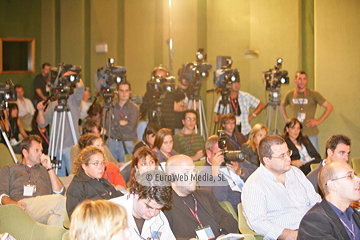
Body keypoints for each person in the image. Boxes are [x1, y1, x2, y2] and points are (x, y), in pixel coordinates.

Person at [241, 135, 321, 240]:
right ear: (267, 160)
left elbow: (315, 200)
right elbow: (258, 222)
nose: (288, 158)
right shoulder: (254, 185)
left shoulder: (295, 172)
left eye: (288, 153)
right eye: (282, 156)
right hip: (287, 235)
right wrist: (289, 234)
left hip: (312, 229)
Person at [164, 154, 238, 239]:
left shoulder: (206, 195)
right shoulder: (164, 206)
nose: (193, 175)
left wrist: (223, 235)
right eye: (186, 172)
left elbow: (228, 218)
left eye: (193, 170)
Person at [0, 135, 66, 226]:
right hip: (22, 208)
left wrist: (50, 168)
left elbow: (60, 192)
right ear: (25, 153)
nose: (41, 154)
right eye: (36, 150)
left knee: (56, 218)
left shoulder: (45, 170)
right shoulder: (9, 169)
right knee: (60, 201)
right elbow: (2, 196)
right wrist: (15, 205)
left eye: (41, 151)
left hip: (42, 210)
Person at [37, 72, 84, 176]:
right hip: (55, 147)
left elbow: (80, 88)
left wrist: (72, 74)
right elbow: (42, 124)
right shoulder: (52, 105)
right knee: (57, 178)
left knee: (75, 176)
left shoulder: (74, 100)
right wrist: (40, 111)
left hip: (71, 146)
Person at [298, 161, 360, 239]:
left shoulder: (353, 213)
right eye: (350, 176)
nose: (358, 179)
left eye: (355, 175)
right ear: (332, 185)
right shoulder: (314, 220)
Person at [110, 170, 176, 240]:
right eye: (148, 206)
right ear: (136, 193)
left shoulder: (160, 218)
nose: (153, 213)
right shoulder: (110, 212)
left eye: (158, 209)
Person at [199, 135, 256, 211]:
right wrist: (216, 172)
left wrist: (240, 171)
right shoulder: (204, 173)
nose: (224, 156)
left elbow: (255, 171)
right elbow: (218, 199)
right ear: (209, 153)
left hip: (253, 198)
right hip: (236, 208)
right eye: (220, 154)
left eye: (225, 152)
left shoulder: (230, 158)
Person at [280, 70, 333, 152]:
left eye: (304, 79)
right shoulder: (290, 94)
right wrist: (286, 119)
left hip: (310, 133)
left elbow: (329, 107)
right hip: (295, 134)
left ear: (306, 81)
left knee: (314, 157)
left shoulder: (313, 94)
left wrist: (318, 121)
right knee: (295, 156)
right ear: (295, 80)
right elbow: (282, 105)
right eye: (300, 79)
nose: (302, 81)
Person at [66, 145, 123, 218]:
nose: (101, 167)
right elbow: (75, 217)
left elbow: (118, 197)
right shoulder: (77, 186)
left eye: (102, 163)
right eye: (96, 164)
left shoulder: (102, 181)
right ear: (84, 166)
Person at [139, 65, 185, 133]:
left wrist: (173, 86)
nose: (162, 79)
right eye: (159, 76)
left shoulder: (170, 90)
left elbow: (181, 96)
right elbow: (144, 107)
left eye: (164, 76)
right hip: (154, 124)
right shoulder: (151, 92)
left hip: (169, 124)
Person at [104, 81, 139, 162]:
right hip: (111, 141)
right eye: (121, 90)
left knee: (127, 169)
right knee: (108, 167)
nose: (124, 93)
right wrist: (120, 122)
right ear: (117, 92)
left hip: (127, 142)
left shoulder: (134, 108)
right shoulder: (110, 106)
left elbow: (130, 128)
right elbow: (107, 125)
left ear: (130, 92)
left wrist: (115, 123)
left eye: (126, 90)